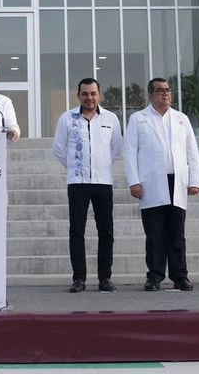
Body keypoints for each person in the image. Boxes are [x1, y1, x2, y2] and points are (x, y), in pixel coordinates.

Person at [123, 77, 199, 292]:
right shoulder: (138, 119)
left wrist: (194, 180)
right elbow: (129, 153)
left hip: (177, 181)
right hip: (151, 182)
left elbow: (192, 152)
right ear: (150, 95)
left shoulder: (181, 119)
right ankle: (155, 276)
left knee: (177, 234)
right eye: (160, 90)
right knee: (154, 233)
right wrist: (134, 182)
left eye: (168, 90)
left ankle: (180, 276)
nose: (165, 94)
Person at [52, 77, 124, 293]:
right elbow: (59, 149)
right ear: (78, 96)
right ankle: (79, 278)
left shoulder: (111, 118)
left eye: (93, 93)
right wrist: (76, 166)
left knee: (106, 231)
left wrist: (100, 165)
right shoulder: (67, 118)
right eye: (85, 94)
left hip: (103, 182)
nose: (89, 97)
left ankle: (105, 278)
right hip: (78, 182)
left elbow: (116, 149)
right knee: (77, 231)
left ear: (99, 95)